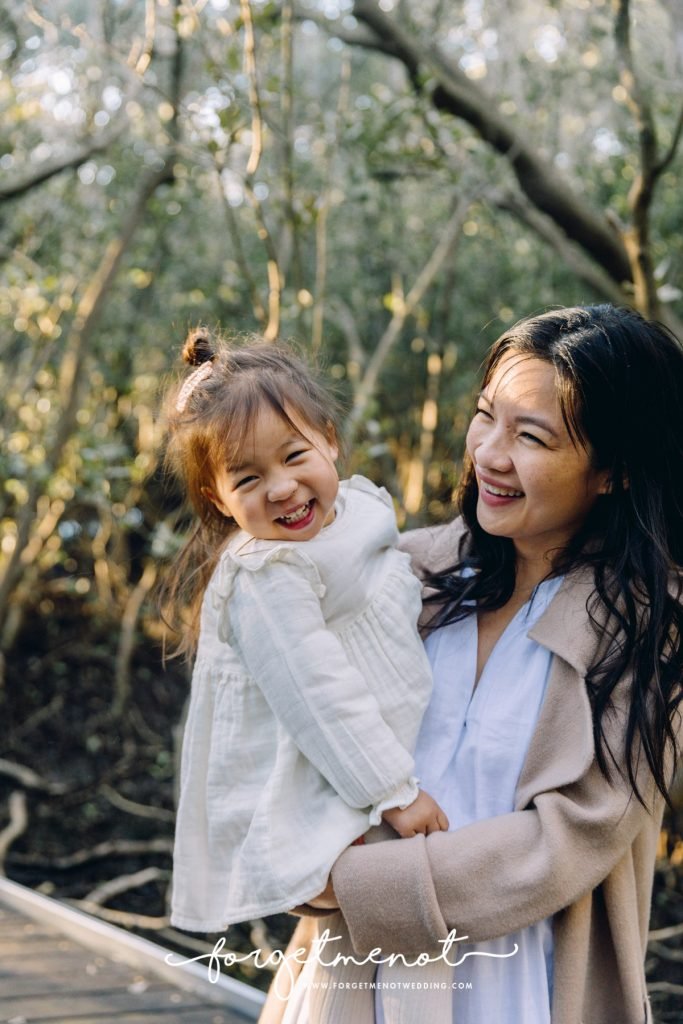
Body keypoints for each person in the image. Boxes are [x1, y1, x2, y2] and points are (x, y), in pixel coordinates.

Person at [261, 304, 683, 1024]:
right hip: (353, 984)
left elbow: (567, 838)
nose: (489, 452)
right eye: (486, 416)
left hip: (526, 987)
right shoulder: (406, 573)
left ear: (611, 471)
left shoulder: (649, 631)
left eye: (531, 436)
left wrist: (352, 882)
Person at [161, 328, 449, 933]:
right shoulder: (267, 574)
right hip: (323, 766)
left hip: (377, 753)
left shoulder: (357, 509)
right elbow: (319, 701)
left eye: (294, 456)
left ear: (331, 441)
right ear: (217, 497)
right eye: (247, 480)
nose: (283, 487)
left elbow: (390, 575)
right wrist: (395, 793)